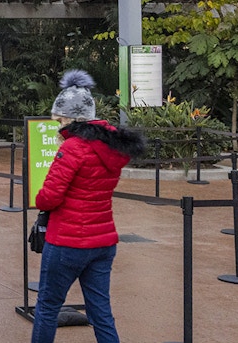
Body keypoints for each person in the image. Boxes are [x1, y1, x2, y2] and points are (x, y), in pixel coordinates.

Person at [32, 70, 146, 343]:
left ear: (72, 119)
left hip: (67, 242)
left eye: (60, 119)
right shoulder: (111, 149)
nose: (58, 125)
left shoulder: (72, 148)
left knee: (47, 307)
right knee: (101, 311)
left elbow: (48, 198)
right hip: (103, 241)